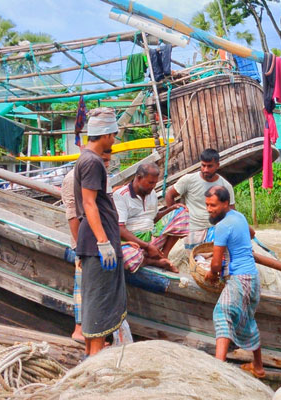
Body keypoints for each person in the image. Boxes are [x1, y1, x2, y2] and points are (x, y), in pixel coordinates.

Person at [73, 108, 126, 356]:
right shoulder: (92, 162)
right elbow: (89, 203)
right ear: (104, 134)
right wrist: (103, 242)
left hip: (93, 242)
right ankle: (94, 361)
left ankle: (89, 356)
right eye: (113, 134)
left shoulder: (86, 160)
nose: (114, 139)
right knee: (100, 303)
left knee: (95, 299)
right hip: (97, 244)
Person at [203, 186, 265, 379]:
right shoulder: (238, 216)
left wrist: (211, 274)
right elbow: (252, 233)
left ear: (224, 204)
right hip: (252, 279)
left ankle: (218, 367)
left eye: (213, 205)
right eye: (207, 205)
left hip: (239, 279)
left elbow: (215, 264)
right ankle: (258, 367)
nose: (209, 209)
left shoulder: (222, 226)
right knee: (247, 320)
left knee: (221, 313)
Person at [60, 149, 111, 343]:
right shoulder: (73, 178)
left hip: (97, 238)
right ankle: (80, 329)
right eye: (104, 160)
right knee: (84, 284)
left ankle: (93, 332)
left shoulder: (100, 174)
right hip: (86, 241)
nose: (106, 164)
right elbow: (73, 216)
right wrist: (81, 248)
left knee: (95, 286)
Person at [113, 163, 190, 273]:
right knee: (126, 257)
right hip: (133, 243)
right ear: (139, 178)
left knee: (182, 212)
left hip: (152, 237)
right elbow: (120, 229)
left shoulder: (152, 193)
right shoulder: (121, 195)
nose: (153, 186)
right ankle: (156, 262)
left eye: (154, 183)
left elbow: (153, 218)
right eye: (150, 182)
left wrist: (170, 209)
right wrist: (147, 247)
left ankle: (164, 256)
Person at [164, 148, 235, 250]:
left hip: (216, 229)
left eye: (209, 166)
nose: (205, 169)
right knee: (194, 261)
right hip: (193, 229)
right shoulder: (188, 180)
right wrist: (175, 219)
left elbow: (231, 211)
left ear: (217, 166)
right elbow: (169, 195)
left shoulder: (226, 186)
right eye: (203, 165)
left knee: (218, 261)